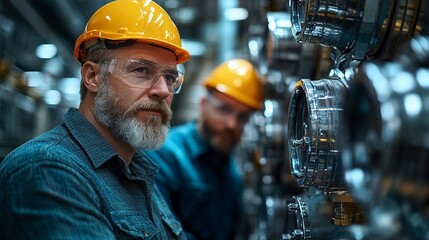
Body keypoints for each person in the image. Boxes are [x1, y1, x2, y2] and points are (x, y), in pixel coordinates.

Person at [0, 0, 190, 239]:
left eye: (171, 77)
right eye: (142, 70)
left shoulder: (138, 169)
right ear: (93, 77)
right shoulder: (47, 169)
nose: (163, 90)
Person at [146, 59, 264, 240]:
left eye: (242, 117)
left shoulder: (232, 172)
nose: (232, 124)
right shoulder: (163, 154)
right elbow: (160, 234)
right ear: (203, 104)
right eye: (224, 109)